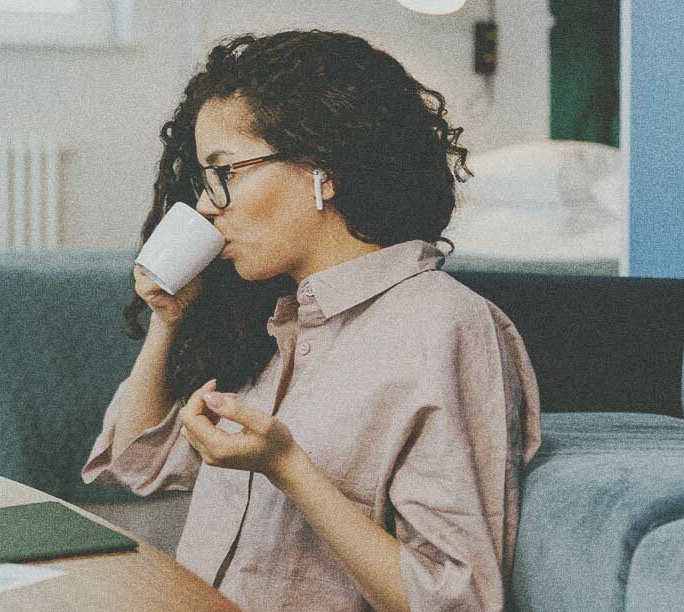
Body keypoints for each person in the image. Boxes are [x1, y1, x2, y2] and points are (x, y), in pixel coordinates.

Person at [82, 30, 541, 612]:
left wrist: (287, 469)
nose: (205, 205)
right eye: (204, 179)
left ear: (322, 169)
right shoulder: (280, 323)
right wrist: (166, 320)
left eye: (225, 172)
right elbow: (136, 464)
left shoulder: (444, 327)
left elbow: (456, 600)